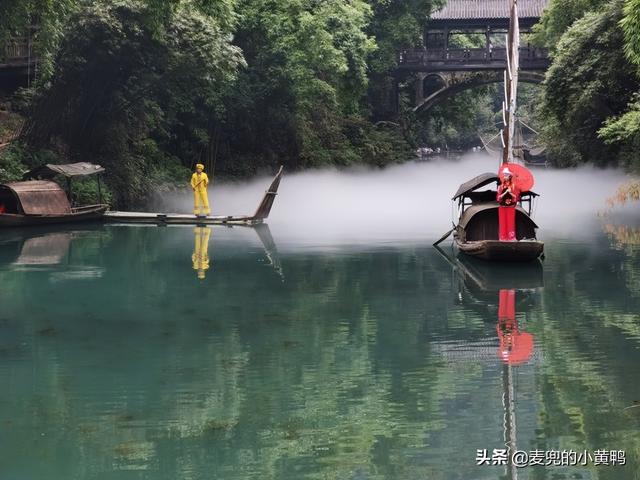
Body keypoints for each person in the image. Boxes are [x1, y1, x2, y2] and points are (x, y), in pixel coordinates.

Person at [497, 169, 519, 241]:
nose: (505, 176)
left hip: (511, 207)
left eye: (506, 175)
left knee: (511, 221)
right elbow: (498, 198)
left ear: (510, 176)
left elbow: (516, 197)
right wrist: (504, 193)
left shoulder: (513, 186)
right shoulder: (500, 187)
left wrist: (510, 193)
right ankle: (502, 237)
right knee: (502, 221)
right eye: (504, 175)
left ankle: (511, 237)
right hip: (502, 207)